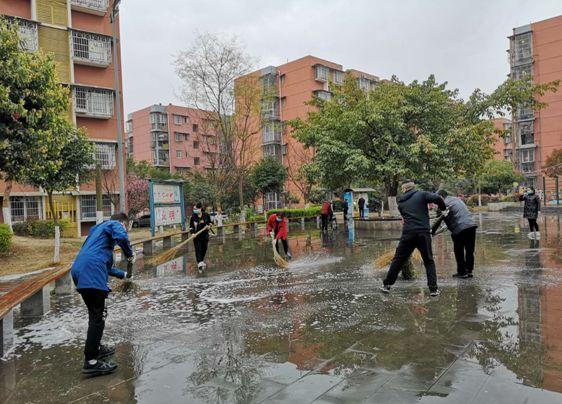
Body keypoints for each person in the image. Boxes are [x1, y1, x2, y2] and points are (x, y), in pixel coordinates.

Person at [71, 212, 135, 376]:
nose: (125, 230)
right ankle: (91, 361)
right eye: (126, 226)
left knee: (96, 314)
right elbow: (121, 235)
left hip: (80, 270)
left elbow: (106, 266)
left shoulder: (97, 233)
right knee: (97, 318)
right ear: (122, 222)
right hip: (91, 272)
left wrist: (124, 275)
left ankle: (96, 348)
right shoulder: (113, 224)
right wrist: (130, 254)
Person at [381, 180, 447, 297]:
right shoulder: (421, 194)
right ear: (413, 187)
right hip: (423, 233)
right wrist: (443, 209)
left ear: (404, 189)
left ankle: (387, 285)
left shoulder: (401, 203)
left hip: (408, 234)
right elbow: (437, 198)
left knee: (398, 260)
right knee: (428, 260)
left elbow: (404, 219)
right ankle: (433, 290)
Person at [433, 189, 478, 278]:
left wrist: (432, 232)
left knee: (459, 250)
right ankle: (469, 271)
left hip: (459, 228)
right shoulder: (456, 199)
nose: (435, 201)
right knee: (469, 250)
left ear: (440, 197)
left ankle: (462, 272)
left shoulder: (442, 204)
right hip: (471, 225)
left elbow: (437, 221)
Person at [190, 202, 213, 270]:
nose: (195, 210)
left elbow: (210, 223)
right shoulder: (193, 217)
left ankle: (201, 260)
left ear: (200, 208)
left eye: (196, 208)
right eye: (194, 209)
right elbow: (191, 227)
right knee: (198, 249)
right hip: (196, 236)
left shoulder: (206, 215)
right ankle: (199, 262)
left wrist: (209, 226)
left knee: (204, 248)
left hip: (205, 235)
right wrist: (192, 233)